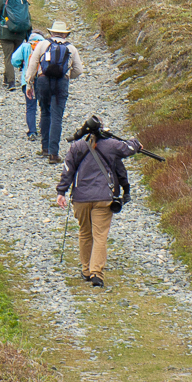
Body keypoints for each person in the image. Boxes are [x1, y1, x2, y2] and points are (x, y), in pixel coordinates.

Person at [55, 116, 139, 288]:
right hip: (103, 197)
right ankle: (96, 274)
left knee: (85, 233)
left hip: (80, 198)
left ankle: (86, 270)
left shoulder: (77, 147)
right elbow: (129, 148)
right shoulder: (111, 145)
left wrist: (61, 192)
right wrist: (136, 142)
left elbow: (68, 170)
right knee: (100, 236)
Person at [30, 20, 84, 164]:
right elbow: (78, 70)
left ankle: (45, 148)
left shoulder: (43, 44)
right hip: (61, 82)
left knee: (45, 112)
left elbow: (33, 63)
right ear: (65, 34)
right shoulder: (71, 48)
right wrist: (66, 76)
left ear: (52, 32)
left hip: (43, 80)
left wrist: (29, 82)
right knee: (57, 116)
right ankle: (54, 154)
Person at [9, 27, 46, 138]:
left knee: (30, 107)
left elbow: (14, 60)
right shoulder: (45, 46)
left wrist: (21, 65)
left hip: (28, 81)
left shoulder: (25, 46)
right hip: (43, 79)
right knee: (44, 106)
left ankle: (32, 131)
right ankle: (44, 129)